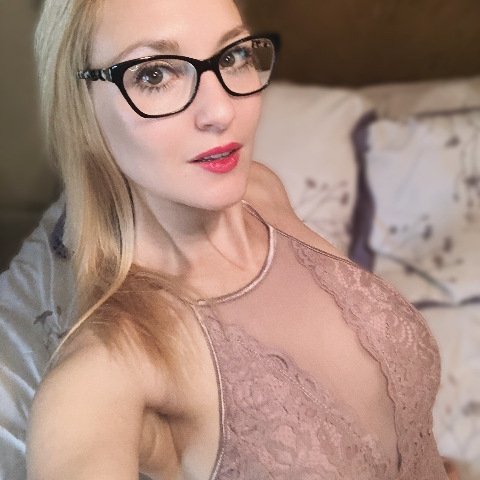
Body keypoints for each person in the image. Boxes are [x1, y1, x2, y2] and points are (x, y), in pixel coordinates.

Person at [26, 0, 456, 478]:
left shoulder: (260, 190)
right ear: (78, 106)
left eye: (232, 56)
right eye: (154, 75)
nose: (221, 110)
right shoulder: (105, 371)